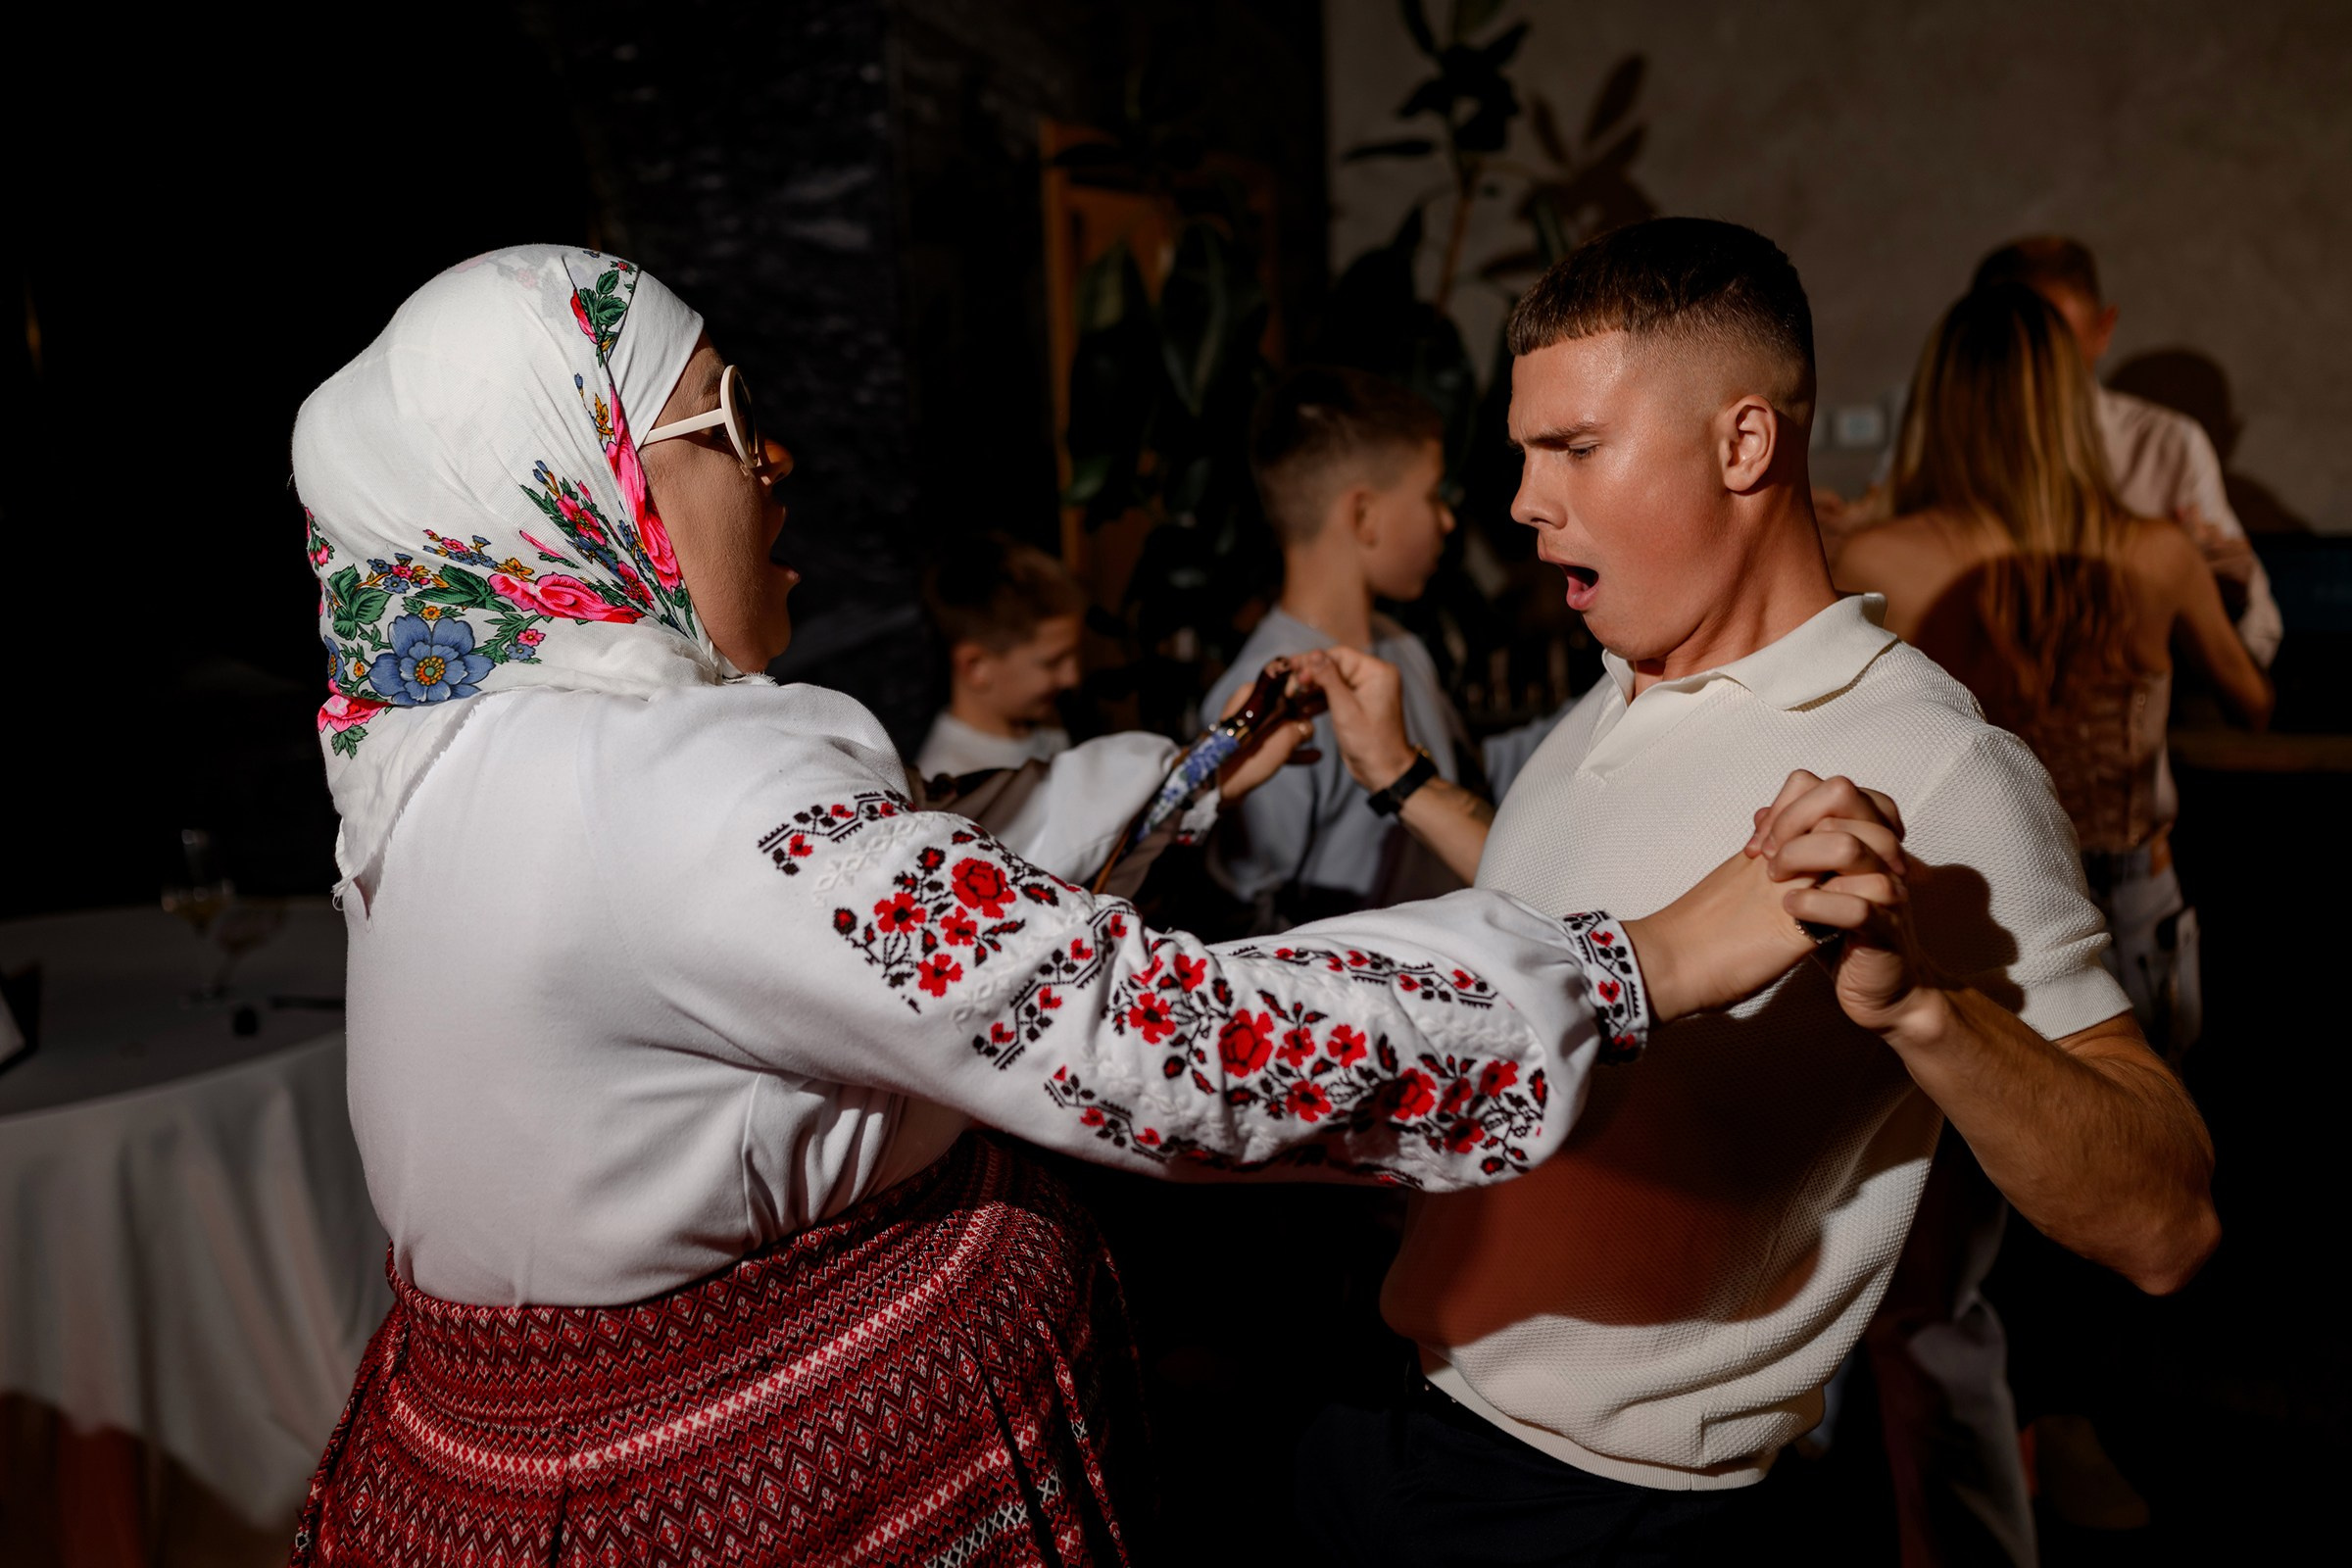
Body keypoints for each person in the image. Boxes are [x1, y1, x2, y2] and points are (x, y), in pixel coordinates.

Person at [285, 244, 1908, 1566]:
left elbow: (876, 877)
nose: (777, 458)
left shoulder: (462, 736)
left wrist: (1192, 774)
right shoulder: (667, 789)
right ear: (586, 481)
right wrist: (1647, 958)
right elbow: (1159, 1036)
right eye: (724, 422)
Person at [1293, 219, 2220, 1566]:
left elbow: (2166, 1224)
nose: (1523, 501)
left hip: (1610, 1514)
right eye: (1524, 451)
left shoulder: (1940, 765)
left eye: (1575, 450)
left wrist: (1924, 1010)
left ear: (1743, 446)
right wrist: (1401, 784)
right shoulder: (1618, 685)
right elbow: (1570, 915)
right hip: (1394, 1420)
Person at [1835, 283, 2271, 1555]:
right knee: (2116, 1206)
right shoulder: (2155, 551)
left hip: (1966, 911)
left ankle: (1980, 1498)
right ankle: (2068, 1430)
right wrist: (2228, 583)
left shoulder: (1880, 558)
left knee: (1945, 1259)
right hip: (2128, 899)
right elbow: (2247, 698)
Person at [1205, 367, 1564, 929]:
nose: (1447, 521)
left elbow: (1461, 774)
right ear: (1364, 516)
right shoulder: (1269, 691)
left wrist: (1612, 708)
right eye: (1431, 496)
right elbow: (1255, 920)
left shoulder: (1398, 646)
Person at [1973, 235, 2282, 667]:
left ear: (2102, 331)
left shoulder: (2167, 446)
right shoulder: (1932, 441)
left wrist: (2223, 594)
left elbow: (2257, 644)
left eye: (2056, 344)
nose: (2034, 367)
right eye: (2011, 343)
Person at [915, 531, 1088, 778]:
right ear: (976, 666)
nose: (1072, 677)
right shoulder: (950, 784)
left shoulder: (1047, 724)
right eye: (1052, 662)